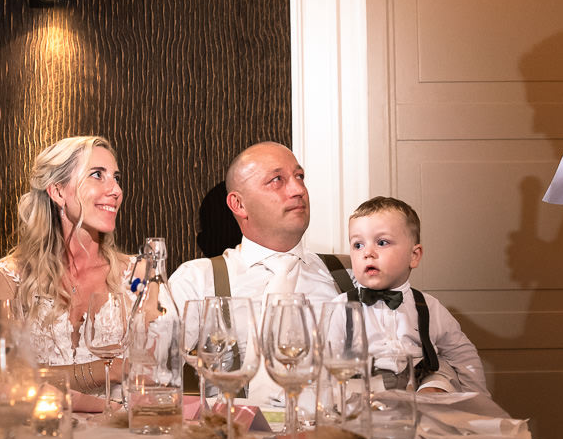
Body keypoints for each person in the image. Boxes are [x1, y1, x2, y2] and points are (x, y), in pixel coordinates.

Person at [169, 141, 354, 410]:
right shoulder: (197, 279)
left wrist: (436, 384)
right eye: (277, 180)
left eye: (299, 177)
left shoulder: (350, 274)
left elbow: (424, 350)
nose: (298, 190)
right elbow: (154, 369)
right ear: (239, 204)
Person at [0, 135, 135, 404]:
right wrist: (107, 372)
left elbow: (152, 372)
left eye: (116, 177)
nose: (115, 190)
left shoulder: (138, 275)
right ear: (58, 192)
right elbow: (10, 379)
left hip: (121, 435)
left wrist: (50, 379)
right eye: (97, 175)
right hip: (43, 433)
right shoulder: (11, 277)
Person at [346, 195, 495, 401]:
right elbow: (319, 360)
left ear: (414, 256)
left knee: (438, 383)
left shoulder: (428, 306)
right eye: (358, 245)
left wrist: (478, 402)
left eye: (382, 242)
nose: (368, 253)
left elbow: (461, 353)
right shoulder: (340, 308)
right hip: (365, 388)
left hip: (418, 383)